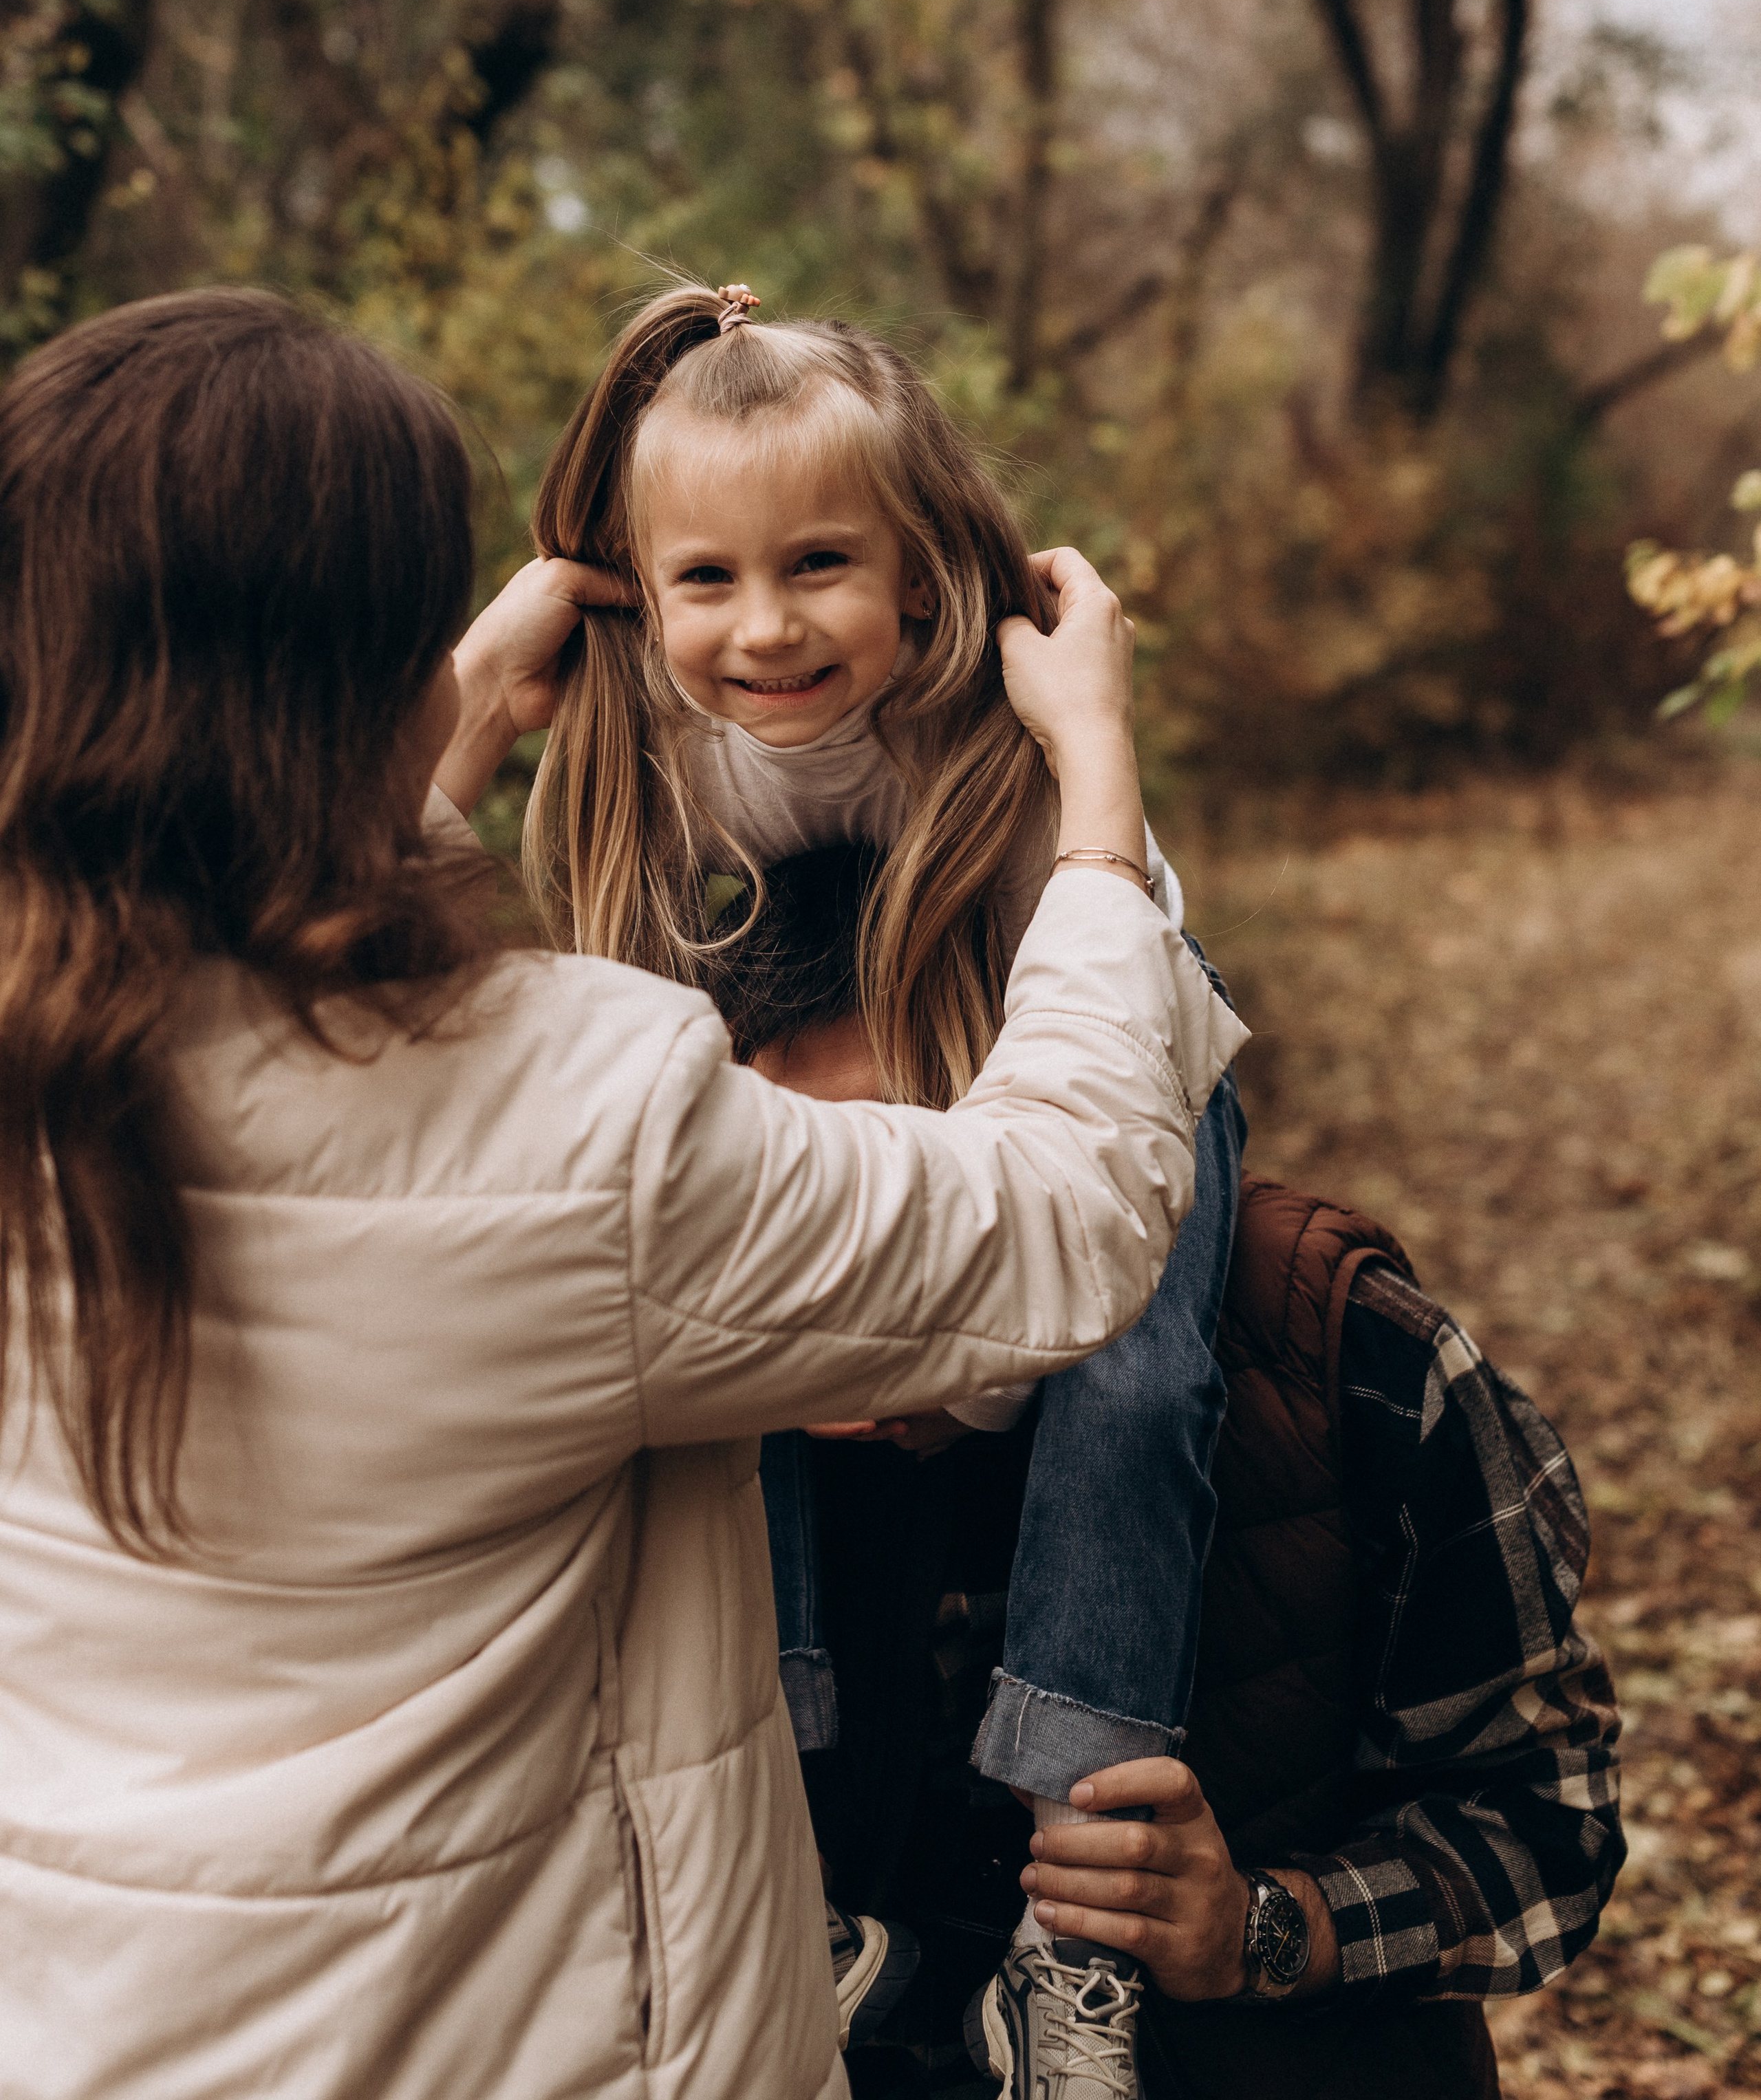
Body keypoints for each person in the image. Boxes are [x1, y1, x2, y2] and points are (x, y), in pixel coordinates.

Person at [0, 288, 1220, 2100]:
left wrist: (463, 709)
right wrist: (1098, 774)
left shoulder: (52, 1044)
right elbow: (1062, 1213)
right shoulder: (573, 1127)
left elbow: (234, 917)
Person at [522, 281, 1248, 2094]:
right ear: (636, 583)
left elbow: (1065, 1204)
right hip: (917, 1133)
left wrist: (933, 1366)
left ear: (920, 569)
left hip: (1109, 1070)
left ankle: (1075, 1906)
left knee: (1136, 1374)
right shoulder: (646, 768)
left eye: (820, 563)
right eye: (704, 577)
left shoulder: (1001, 743)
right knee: (709, 1333)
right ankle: (795, 1826)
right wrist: (475, 694)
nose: (764, 629)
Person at [737, 871, 1625, 2100]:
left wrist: (1263, 1930)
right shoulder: (663, 1415)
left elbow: (1548, 1818)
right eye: (786, 1210)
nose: (835, 1289)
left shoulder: (1340, 1353)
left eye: (904, 1202)